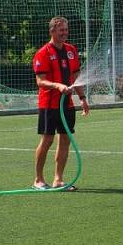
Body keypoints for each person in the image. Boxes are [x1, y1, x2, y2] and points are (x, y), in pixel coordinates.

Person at [32, 16, 89, 190]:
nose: (65, 33)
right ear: (52, 31)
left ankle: (58, 179)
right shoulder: (43, 53)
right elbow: (40, 81)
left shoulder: (71, 50)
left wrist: (83, 98)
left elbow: (75, 78)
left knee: (65, 139)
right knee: (47, 140)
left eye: (66, 29)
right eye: (61, 30)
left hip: (67, 105)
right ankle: (38, 180)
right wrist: (57, 85)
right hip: (49, 104)